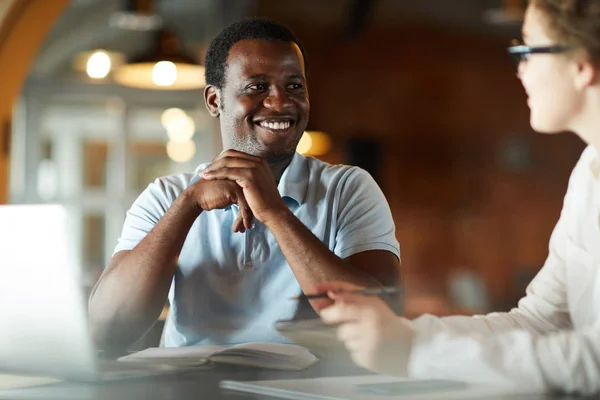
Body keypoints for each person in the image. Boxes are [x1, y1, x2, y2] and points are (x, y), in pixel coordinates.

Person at [316, 0, 600, 395]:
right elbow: (539, 321)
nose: (519, 68)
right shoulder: (589, 169)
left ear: (581, 67)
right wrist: (400, 333)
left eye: (527, 51)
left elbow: (594, 362)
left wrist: (416, 351)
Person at [88, 17, 401, 352]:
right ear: (214, 101)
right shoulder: (166, 196)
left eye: (295, 86)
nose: (280, 102)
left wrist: (275, 213)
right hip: (189, 389)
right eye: (257, 86)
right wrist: (188, 204)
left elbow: (384, 323)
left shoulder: (348, 189)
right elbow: (107, 330)